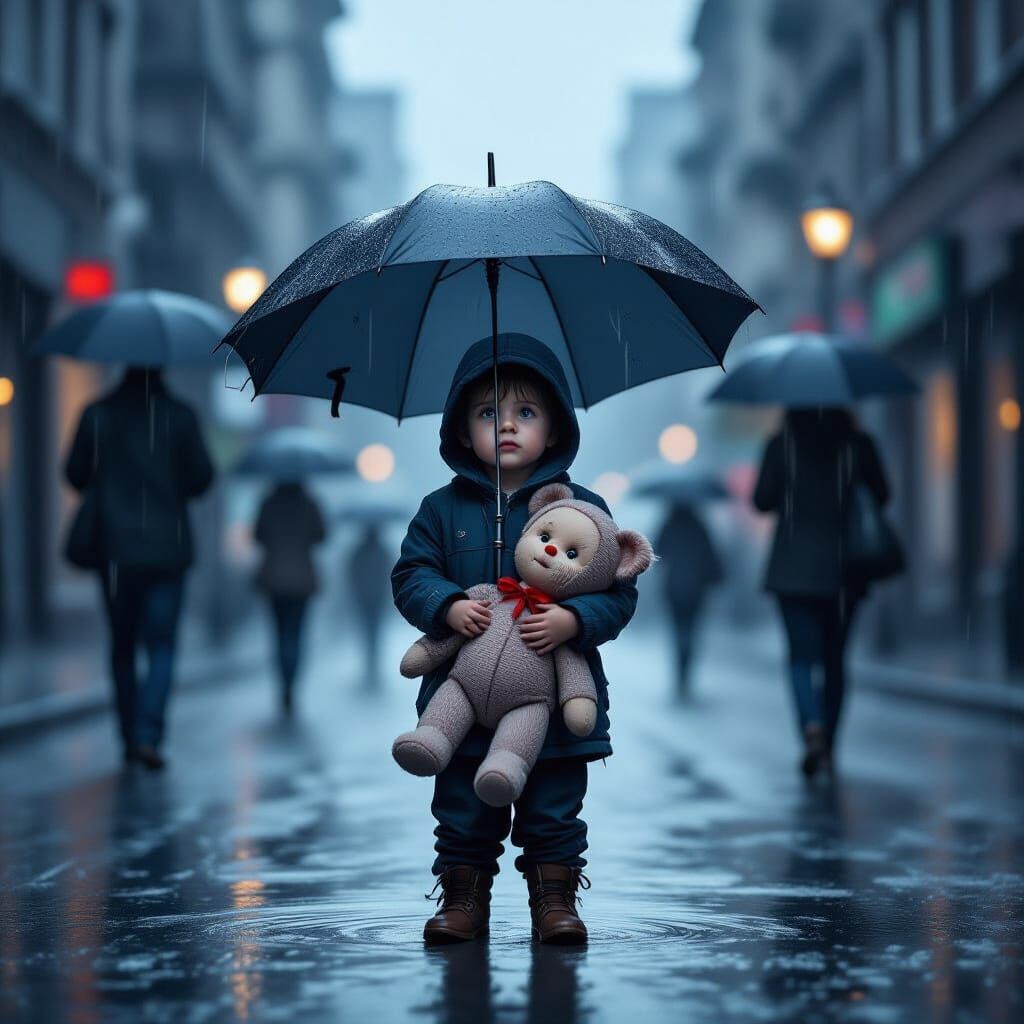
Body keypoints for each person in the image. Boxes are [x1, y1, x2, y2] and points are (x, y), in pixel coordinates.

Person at [392, 333, 640, 945]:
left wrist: (574, 621)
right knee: (462, 808)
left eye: (525, 413)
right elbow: (411, 574)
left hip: (550, 702)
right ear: (461, 429)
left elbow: (618, 592)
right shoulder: (440, 509)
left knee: (553, 807)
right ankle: (462, 896)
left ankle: (554, 899)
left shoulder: (584, 509)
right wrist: (447, 607)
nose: (506, 427)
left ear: (554, 428)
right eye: (488, 414)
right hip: (463, 695)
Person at [65, 367, 214, 771]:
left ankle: (129, 735)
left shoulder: (98, 414)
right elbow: (203, 479)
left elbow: (74, 474)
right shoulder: (180, 415)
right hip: (167, 551)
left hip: (115, 550)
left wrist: (110, 477)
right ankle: (149, 733)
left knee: (122, 645)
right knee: (162, 645)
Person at [752, 407, 891, 778]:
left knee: (800, 658)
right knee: (834, 661)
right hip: (844, 570)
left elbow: (762, 500)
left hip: (792, 569)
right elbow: (883, 495)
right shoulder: (858, 444)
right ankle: (829, 743)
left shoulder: (782, 444)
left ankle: (811, 725)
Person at [253, 481, 326, 713]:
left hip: (274, 578)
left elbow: (257, 535)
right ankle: (291, 684)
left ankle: (283, 683)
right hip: (301, 580)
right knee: (295, 634)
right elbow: (322, 535)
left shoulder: (268, 502)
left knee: (279, 633)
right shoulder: (309, 503)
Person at [655, 502, 723, 696]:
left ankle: (680, 675)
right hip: (696, 589)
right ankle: (686, 674)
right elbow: (711, 556)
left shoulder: (668, 525)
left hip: (674, 589)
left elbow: (657, 551)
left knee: (678, 631)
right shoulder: (700, 527)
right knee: (691, 630)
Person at [345, 523, 390, 687]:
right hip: (377, 600)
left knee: (366, 633)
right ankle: (373, 670)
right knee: (375, 634)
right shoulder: (383, 552)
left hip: (363, 599)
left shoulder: (357, 552)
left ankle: (369, 670)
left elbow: (351, 575)